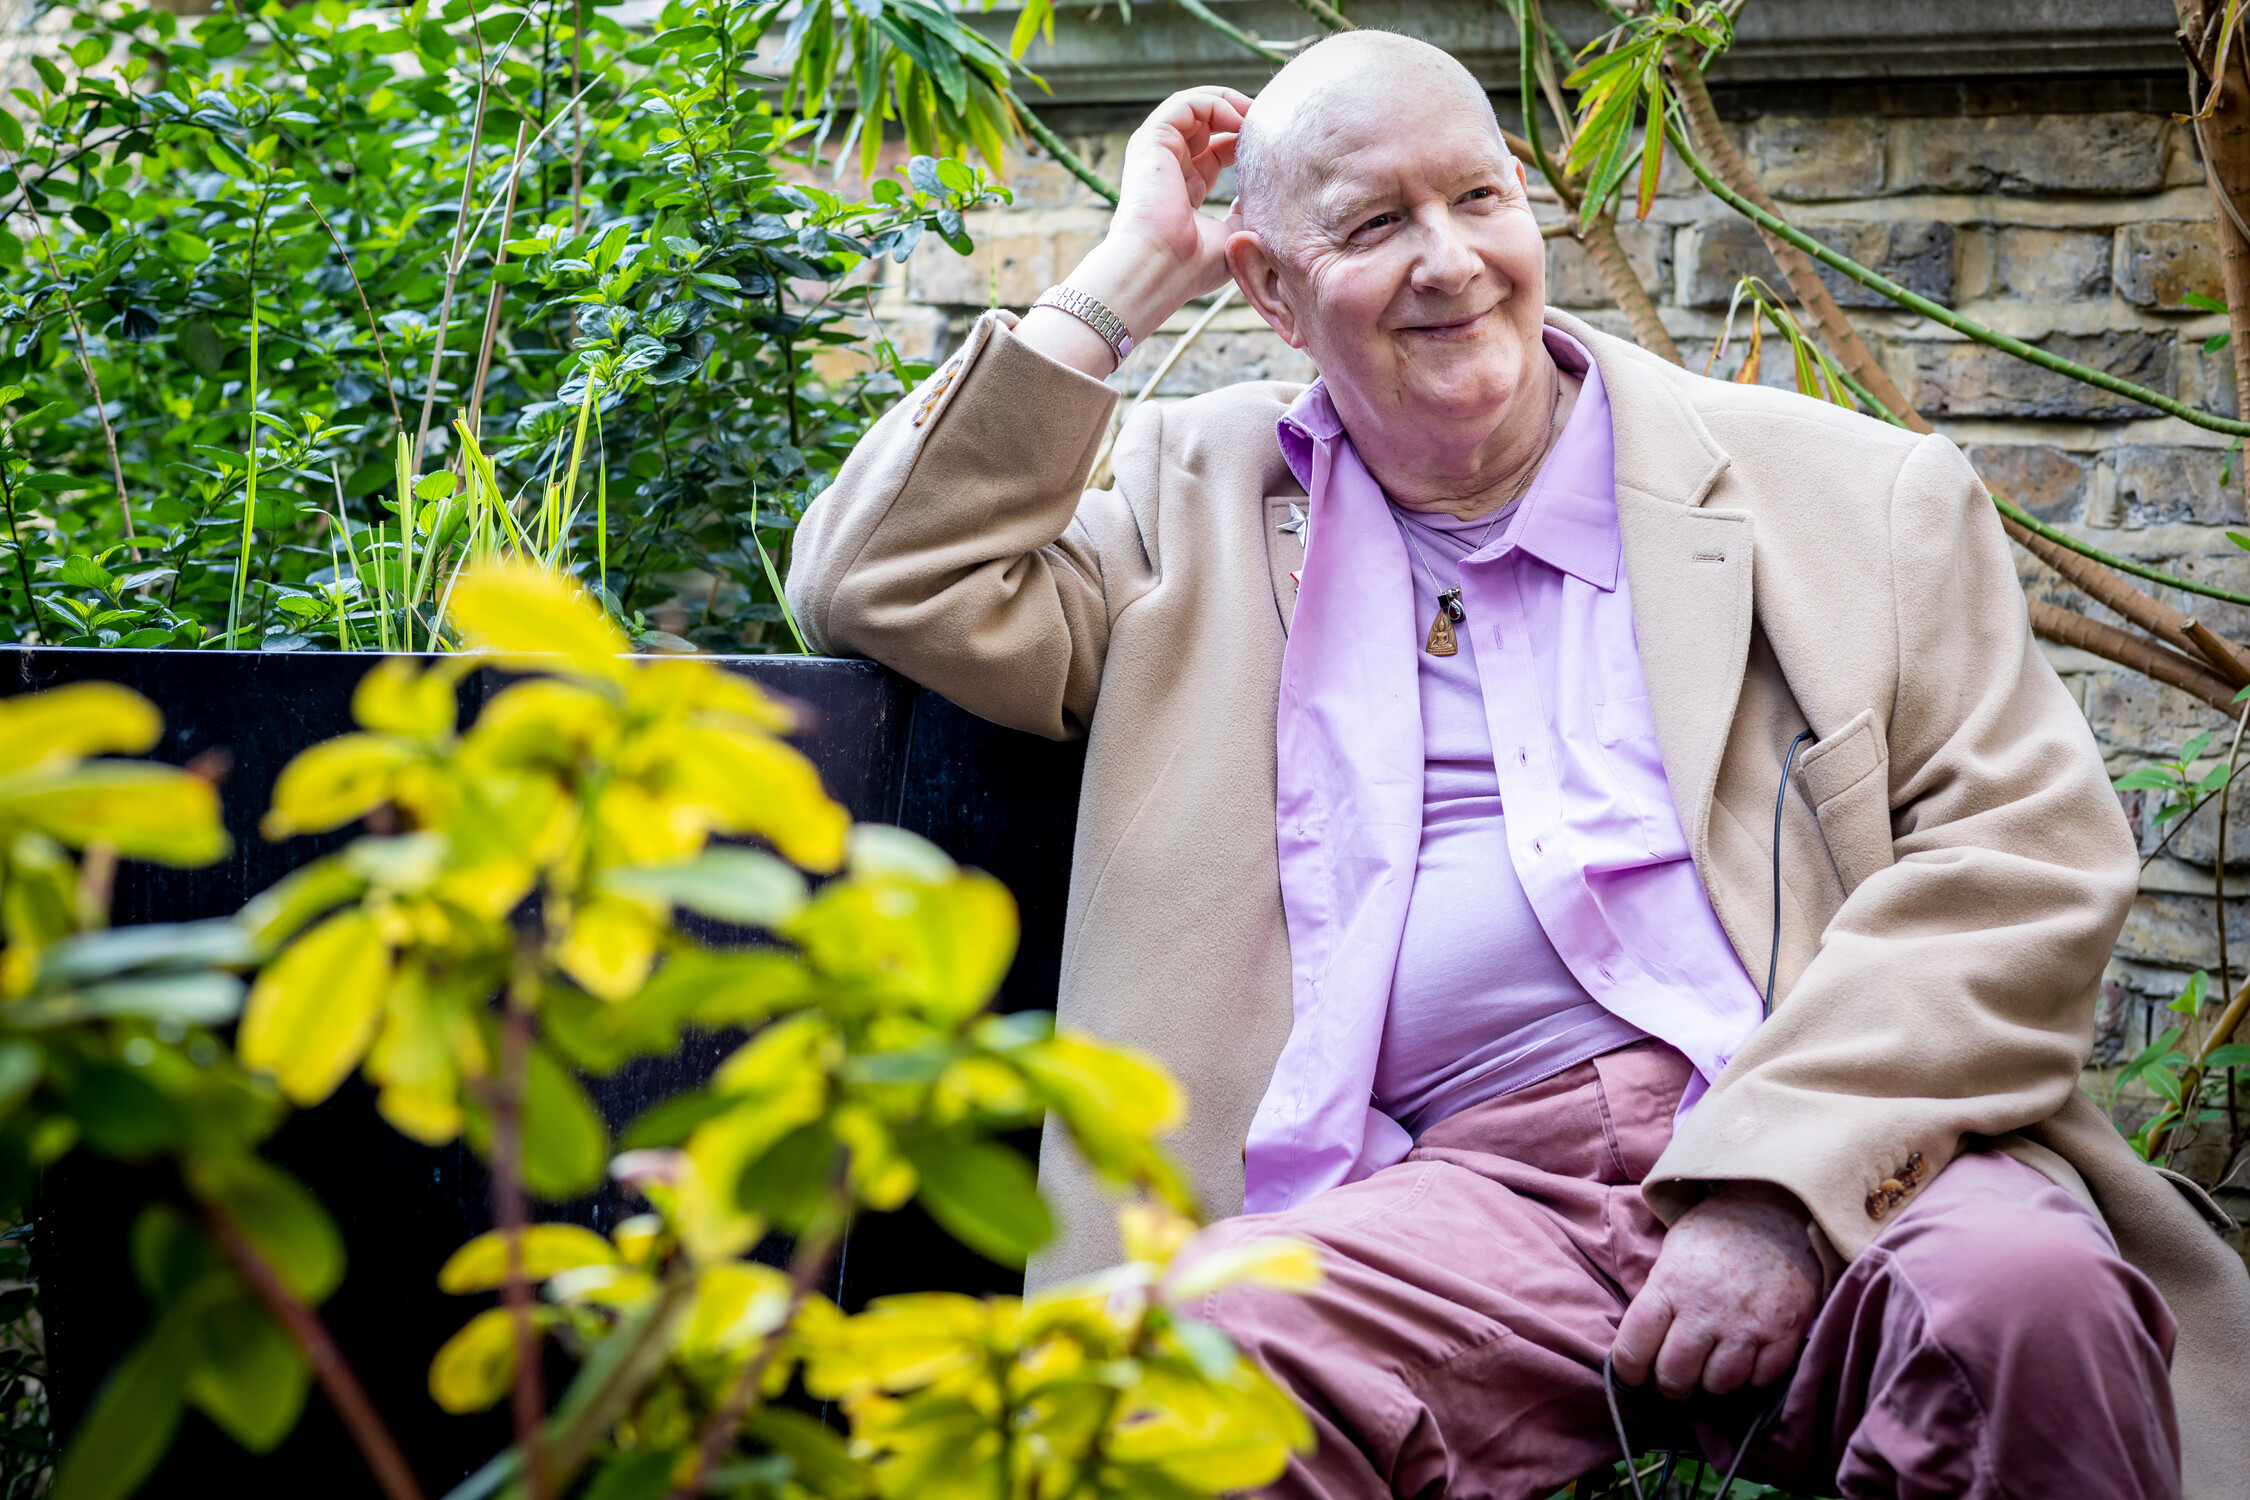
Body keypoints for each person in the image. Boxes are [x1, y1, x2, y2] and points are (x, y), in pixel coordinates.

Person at [788, 31, 2250, 1499]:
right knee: (1163, 1393)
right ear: (1267, 292)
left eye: (1479, 199)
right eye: (1371, 226)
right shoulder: (1198, 503)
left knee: (2025, 1309)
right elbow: (884, 577)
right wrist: (1118, 284)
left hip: (1830, 1131)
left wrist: (1766, 1185)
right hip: (1450, 1195)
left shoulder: (1849, 496)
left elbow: (2022, 866)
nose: (1450, 262)